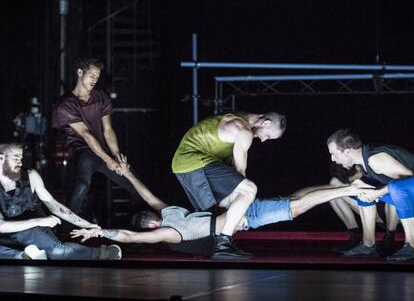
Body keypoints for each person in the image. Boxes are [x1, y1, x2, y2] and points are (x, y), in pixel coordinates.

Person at [71, 155, 366, 258]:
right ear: (151, 226)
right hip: (242, 219)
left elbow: (147, 196)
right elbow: (131, 237)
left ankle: (341, 188)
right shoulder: (168, 234)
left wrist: (127, 172)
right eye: (148, 218)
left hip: (238, 213)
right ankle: (343, 189)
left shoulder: (168, 215)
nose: (152, 214)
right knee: (295, 205)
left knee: (294, 203)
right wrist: (101, 232)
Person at [171, 112, 287, 259]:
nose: (263, 140)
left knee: (227, 204)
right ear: (266, 123)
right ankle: (223, 243)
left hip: (188, 164)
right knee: (249, 190)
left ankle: (211, 245)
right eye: (268, 136)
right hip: (193, 161)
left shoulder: (240, 118)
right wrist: (243, 197)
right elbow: (240, 171)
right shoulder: (244, 130)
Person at [53, 58, 154, 219]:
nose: (95, 80)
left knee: (133, 182)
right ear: (80, 72)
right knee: (82, 185)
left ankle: (137, 223)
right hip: (82, 152)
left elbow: (108, 130)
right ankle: (67, 225)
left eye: (97, 77)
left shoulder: (100, 97)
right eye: (92, 75)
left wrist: (117, 157)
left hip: (103, 152)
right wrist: (108, 160)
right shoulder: (65, 105)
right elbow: (86, 134)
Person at [0, 142, 121, 260]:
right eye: (16, 158)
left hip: (33, 232)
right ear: (1, 158)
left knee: (58, 252)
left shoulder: (30, 175)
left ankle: (103, 253)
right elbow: (2, 226)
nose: (20, 162)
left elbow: (53, 205)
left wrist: (85, 224)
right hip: (9, 233)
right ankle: (24, 256)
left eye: (21, 158)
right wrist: (39, 221)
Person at [327, 128, 414, 261]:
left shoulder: (374, 159)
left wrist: (378, 192)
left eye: (334, 153)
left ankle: (411, 245)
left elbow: (407, 180)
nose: (333, 159)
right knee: (363, 190)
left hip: (408, 188)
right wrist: (372, 192)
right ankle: (368, 243)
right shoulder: (365, 159)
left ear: (348, 152)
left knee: (397, 187)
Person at [328, 163, 399, 255]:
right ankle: (355, 236)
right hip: (374, 212)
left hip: (397, 214)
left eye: (354, 178)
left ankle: (389, 239)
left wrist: (375, 191)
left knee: (395, 190)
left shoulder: (374, 161)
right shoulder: (350, 167)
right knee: (334, 187)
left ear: (358, 167)